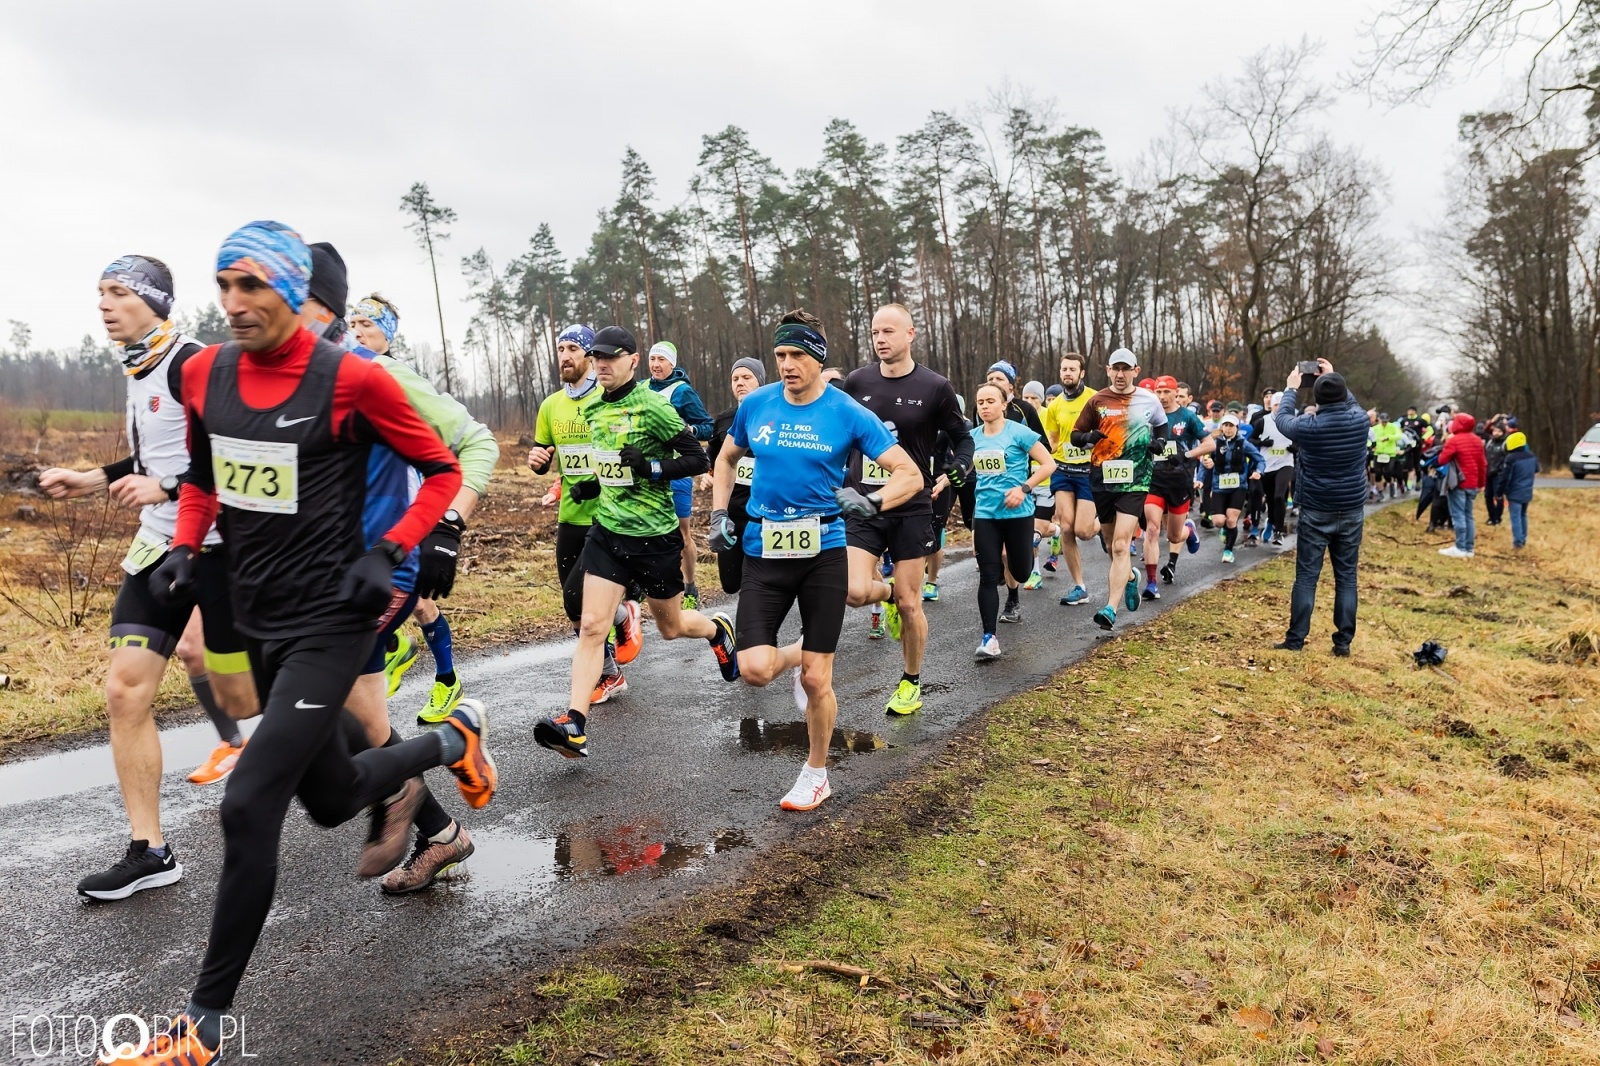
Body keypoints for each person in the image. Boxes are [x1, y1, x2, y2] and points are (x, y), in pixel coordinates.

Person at [115, 220, 496, 1065]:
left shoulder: (353, 380)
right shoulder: (207, 372)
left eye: (252, 285)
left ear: (294, 292)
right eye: (225, 285)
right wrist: (185, 546)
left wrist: (397, 548)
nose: (234, 302)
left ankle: (199, 1029)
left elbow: (440, 469)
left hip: (334, 617)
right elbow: (208, 481)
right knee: (328, 798)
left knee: (248, 804)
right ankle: (449, 739)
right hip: (256, 617)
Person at [39, 256, 260, 901]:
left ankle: (402, 787)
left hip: (223, 553)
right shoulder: (138, 368)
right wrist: (96, 479)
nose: (104, 305)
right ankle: (150, 850)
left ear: (155, 302)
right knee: (124, 691)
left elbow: (228, 452)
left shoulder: (195, 363)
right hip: (159, 550)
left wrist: (164, 486)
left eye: (117, 293)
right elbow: (158, 451)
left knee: (261, 702)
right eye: (99, 294)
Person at [302, 254, 492, 895]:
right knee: (366, 723)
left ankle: (449, 744)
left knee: (313, 705)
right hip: (317, 575)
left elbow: (478, 444)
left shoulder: (379, 375)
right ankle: (443, 833)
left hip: (382, 566)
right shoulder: (274, 379)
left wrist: (449, 527)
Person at [709, 310, 919, 810]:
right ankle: (805, 648)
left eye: (797, 355)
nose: (786, 364)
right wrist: (719, 513)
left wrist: (870, 503)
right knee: (754, 669)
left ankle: (816, 771)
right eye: (780, 355)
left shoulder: (847, 412)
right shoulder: (756, 405)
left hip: (823, 553)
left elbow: (907, 473)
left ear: (817, 359)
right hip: (765, 552)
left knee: (815, 679)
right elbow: (724, 459)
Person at [534, 326, 735, 760]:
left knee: (672, 626)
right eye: (598, 357)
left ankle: (717, 629)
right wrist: (591, 485)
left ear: (633, 360)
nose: (603, 364)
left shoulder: (652, 406)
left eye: (612, 357)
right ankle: (574, 722)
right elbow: (606, 459)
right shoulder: (592, 410)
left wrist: (652, 468)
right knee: (590, 625)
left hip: (654, 536)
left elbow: (698, 458)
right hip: (607, 532)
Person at [347, 293, 498, 725]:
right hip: (361, 540)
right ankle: (394, 651)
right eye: (353, 323)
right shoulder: (336, 375)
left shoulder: (394, 377)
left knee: (420, 604)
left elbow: (471, 441)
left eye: (368, 325)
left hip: (411, 522)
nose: (357, 332)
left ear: (387, 335)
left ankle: (445, 681)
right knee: (411, 611)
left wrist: (447, 524)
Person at [842, 304, 974, 716]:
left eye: (888, 331)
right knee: (853, 591)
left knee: (912, 603)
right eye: (875, 332)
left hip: (912, 505)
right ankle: (887, 597)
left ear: (911, 334)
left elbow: (961, 437)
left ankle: (911, 681)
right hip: (863, 501)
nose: (880, 339)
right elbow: (840, 435)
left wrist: (958, 466)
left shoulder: (936, 386)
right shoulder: (857, 381)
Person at [528, 325, 644, 708]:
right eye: (560, 348)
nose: (565, 356)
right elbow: (545, 456)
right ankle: (618, 641)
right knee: (572, 605)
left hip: (608, 513)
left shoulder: (607, 399)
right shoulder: (550, 406)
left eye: (573, 348)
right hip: (571, 514)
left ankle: (609, 661)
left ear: (591, 357)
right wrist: (538, 461)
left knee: (584, 599)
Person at [1271, 359, 1369, 656]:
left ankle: (1295, 639)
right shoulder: (1361, 420)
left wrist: (1290, 388)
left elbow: (1282, 419)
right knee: (1347, 577)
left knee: (1307, 577)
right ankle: (1343, 643)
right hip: (1351, 508)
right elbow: (1348, 401)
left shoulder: (1308, 427)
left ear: (1317, 397)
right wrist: (1334, 377)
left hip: (1316, 508)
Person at [1068, 348, 1168, 630]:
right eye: (1116, 369)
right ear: (1108, 370)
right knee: (1112, 545)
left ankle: (1111, 609)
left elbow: (1161, 426)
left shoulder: (1148, 399)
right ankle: (1131, 577)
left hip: (1136, 479)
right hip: (1103, 479)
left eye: (1127, 369)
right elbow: (1076, 435)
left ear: (1136, 371)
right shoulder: (1097, 400)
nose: (1121, 374)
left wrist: (1158, 444)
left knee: (1123, 544)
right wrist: (1087, 437)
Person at [969, 383, 1055, 658]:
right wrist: (945, 479)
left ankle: (1034, 538)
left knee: (1020, 573)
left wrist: (1024, 489)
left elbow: (1049, 464)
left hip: (1018, 514)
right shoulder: (972, 437)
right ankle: (989, 637)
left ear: (1004, 404)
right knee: (988, 575)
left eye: (990, 401)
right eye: (980, 402)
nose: (984, 406)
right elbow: (964, 468)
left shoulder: (1019, 432)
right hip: (986, 515)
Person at [645, 340, 715, 609]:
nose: (656, 365)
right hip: (647, 472)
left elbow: (707, 426)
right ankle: (643, 584)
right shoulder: (641, 389)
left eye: (661, 360)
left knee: (681, 533)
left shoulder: (682, 391)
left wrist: (690, 432)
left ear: (672, 364)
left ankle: (689, 588)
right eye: (652, 359)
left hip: (678, 470)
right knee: (644, 530)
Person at [706, 357, 768, 594]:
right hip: (733, 513)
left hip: (764, 512)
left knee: (760, 582)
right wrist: (709, 474)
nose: (740, 382)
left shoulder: (775, 414)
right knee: (731, 584)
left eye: (746, 377)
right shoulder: (725, 419)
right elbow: (713, 455)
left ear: (760, 382)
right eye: (735, 378)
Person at [1142, 375, 1209, 595]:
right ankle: (1151, 583)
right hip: (1154, 480)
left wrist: (1186, 454)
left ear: (1175, 393)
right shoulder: (1149, 416)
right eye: (1158, 392)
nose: (1162, 397)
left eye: (1166, 392)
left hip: (1180, 481)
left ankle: (1188, 531)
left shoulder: (1187, 417)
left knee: (1173, 536)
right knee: (1152, 529)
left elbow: (1210, 443)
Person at [1041, 352, 1098, 607]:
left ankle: (1102, 524)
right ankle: (1079, 586)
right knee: (1066, 527)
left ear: (1081, 373)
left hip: (1088, 470)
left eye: (1072, 369)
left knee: (1083, 531)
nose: (1067, 373)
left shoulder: (1095, 399)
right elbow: (1054, 440)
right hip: (1063, 470)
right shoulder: (1054, 406)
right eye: (1064, 369)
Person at [1200, 413, 1263, 563]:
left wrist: (1258, 472)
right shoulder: (1214, 443)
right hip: (1219, 487)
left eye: (1231, 426)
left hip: (1238, 486)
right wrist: (1199, 479)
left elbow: (1259, 459)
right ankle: (1224, 529)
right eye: (1226, 425)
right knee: (1219, 521)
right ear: (1222, 427)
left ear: (1237, 428)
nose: (1228, 429)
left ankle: (1228, 551)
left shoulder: (1244, 443)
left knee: (1232, 520)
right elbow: (1204, 461)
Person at [1435, 411, 1487, 558]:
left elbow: (1442, 460)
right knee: (1468, 515)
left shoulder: (1454, 440)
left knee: (1458, 515)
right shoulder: (1477, 440)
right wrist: (1482, 483)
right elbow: (1483, 464)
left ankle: (1460, 547)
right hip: (1473, 484)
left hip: (1458, 483)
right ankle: (1469, 549)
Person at [1255, 392, 1296, 545]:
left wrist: (1295, 448)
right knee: (1271, 499)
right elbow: (1251, 440)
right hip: (1267, 465)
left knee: (1280, 496)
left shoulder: (1292, 421)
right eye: (1276, 404)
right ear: (1271, 405)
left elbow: (1300, 441)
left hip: (1285, 463)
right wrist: (1262, 443)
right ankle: (1271, 522)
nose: (1279, 407)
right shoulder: (1262, 422)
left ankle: (1278, 531)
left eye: (1281, 404)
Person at [1501, 430, 1540, 549]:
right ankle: (1523, 539)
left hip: (1514, 492)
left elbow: (1505, 477)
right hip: (1527, 491)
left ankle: (1517, 542)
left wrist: (1499, 492)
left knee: (1515, 516)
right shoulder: (1531, 456)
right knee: (1523, 515)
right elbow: (1537, 469)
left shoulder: (1511, 458)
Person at [1482, 415, 1509, 525]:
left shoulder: (1505, 444)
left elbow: (1508, 459)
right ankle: (1491, 517)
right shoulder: (1489, 443)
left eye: (1498, 431)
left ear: (1503, 432)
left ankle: (1498, 518)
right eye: (1495, 431)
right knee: (1488, 496)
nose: (1496, 433)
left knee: (1498, 496)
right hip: (1488, 473)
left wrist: (1502, 470)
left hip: (1498, 474)